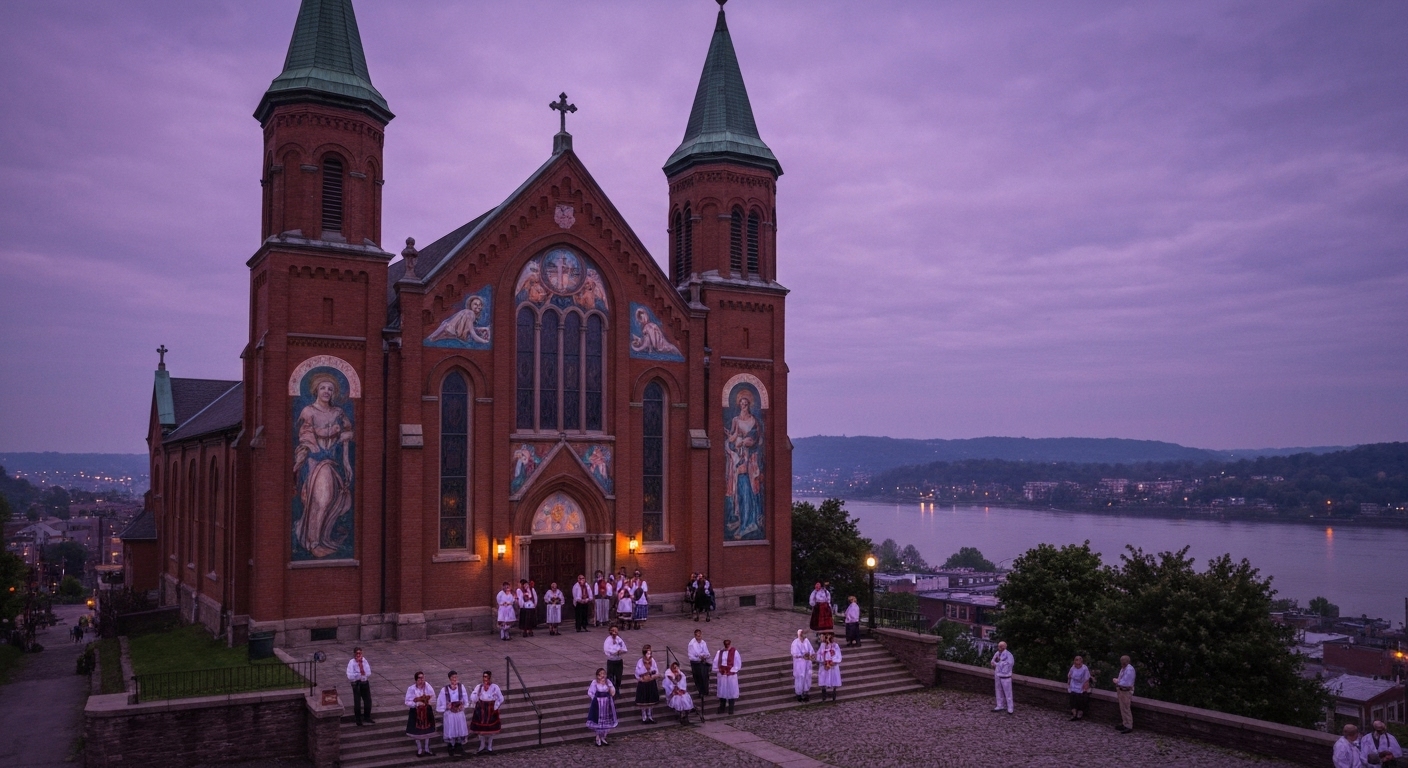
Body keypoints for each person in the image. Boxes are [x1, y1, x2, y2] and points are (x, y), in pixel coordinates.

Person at [469, 670, 504, 754]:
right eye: (484, 677)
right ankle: (482, 745)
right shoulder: (479, 687)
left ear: (490, 678)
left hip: (491, 710)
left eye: (487, 677)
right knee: (481, 729)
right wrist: (477, 695)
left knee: (491, 729)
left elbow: (501, 698)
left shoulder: (495, 687)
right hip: (481, 709)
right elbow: (473, 697)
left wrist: (496, 706)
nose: (486, 679)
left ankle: (490, 746)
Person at [404, 671, 437, 757]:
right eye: (419, 678)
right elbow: (407, 701)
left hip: (426, 711)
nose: (422, 680)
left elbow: (433, 697)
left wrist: (427, 702)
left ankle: (426, 748)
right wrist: (416, 704)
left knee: (427, 730)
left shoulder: (428, 687)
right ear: (416, 680)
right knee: (416, 731)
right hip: (416, 712)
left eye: (423, 678)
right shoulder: (411, 689)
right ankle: (419, 749)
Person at [437, 671, 469, 756]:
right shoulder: (445, 690)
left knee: (459, 728)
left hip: (459, 713)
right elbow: (440, 703)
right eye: (453, 678)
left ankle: (459, 746)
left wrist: (463, 705)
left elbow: (465, 699)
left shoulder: (461, 687)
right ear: (449, 679)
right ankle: (451, 746)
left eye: (456, 677)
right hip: (450, 714)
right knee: (451, 729)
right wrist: (447, 706)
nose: (454, 679)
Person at [586, 667, 618, 747]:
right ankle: (598, 738)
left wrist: (610, 690)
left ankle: (603, 737)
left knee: (606, 720)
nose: (602, 676)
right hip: (598, 704)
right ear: (597, 675)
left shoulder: (608, 682)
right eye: (601, 674)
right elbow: (590, 692)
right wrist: (595, 700)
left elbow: (613, 691)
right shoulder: (595, 682)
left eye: (604, 674)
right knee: (598, 720)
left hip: (606, 704)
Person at [713, 639, 743, 715]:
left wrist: (731, 670)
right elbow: (716, 663)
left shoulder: (734, 652)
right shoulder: (719, 653)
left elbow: (737, 663)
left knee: (731, 690)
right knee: (722, 690)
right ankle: (722, 707)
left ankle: (731, 708)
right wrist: (720, 669)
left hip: (731, 676)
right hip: (722, 675)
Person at [346, 647, 374, 726]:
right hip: (356, 684)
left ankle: (367, 717)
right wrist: (359, 675)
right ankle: (358, 719)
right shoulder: (351, 662)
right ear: (354, 654)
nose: (358, 655)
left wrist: (359, 674)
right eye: (357, 653)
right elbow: (350, 676)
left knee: (368, 700)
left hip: (364, 682)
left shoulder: (364, 661)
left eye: (360, 653)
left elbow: (368, 673)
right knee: (357, 702)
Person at [634, 645, 661, 723]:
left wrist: (653, 675)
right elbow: (637, 672)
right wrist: (644, 675)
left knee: (650, 699)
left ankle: (650, 715)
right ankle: (644, 716)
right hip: (643, 683)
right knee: (643, 700)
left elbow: (656, 670)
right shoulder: (640, 661)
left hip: (651, 682)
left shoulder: (653, 660)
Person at [816, 631, 842, 701]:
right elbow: (819, 655)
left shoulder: (835, 646)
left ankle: (834, 694)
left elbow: (838, 655)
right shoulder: (822, 646)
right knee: (824, 679)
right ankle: (824, 695)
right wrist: (823, 661)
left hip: (833, 665)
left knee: (834, 679)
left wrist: (833, 661)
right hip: (824, 665)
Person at [790, 629, 815, 702]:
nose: (805, 635)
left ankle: (806, 692)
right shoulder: (795, 642)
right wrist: (802, 655)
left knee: (807, 677)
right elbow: (794, 653)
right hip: (799, 663)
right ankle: (799, 694)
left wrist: (810, 655)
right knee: (799, 678)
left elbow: (811, 650)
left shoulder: (807, 641)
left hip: (807, 663)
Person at [990, 641, 1015, 714]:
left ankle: (1010, 707)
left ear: (1003, 647)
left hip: (1005, 676)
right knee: (998, 690)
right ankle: (1000, 705)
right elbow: (992, 661)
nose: (999, 648)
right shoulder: (997, 653)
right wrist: (995, 664)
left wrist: (997, 664)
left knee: (1008, 692)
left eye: (1000, 647)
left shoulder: (1009, 655)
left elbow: (1009, 664)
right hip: (997, 674)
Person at [1113, 655, 1135, 732]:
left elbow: (1126, 682)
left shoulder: (1130, 670)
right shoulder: (1123, 669)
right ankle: (1125, 723)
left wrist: (1117, 681)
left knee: (1126, 708)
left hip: (1126, 691)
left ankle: (1129, 725)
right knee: (1122, 708)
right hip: (1121, 690)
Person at [1066, 655, 1091, 721]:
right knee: (1072, 697)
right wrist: (1068, 683)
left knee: (1081, 698)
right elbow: (1069, 676)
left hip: (1081, 685)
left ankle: (1080, 713)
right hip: (1074, 684)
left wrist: (1085, 687)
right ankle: (1074, 713)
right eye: (1076, 664)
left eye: (1079, 664)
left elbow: (1087, 679)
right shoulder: (1073, 668)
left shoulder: (1084, 669)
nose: (1077, 665)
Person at [687, 628, 711, 697]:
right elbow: (691, 656)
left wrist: (705, 656)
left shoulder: (703, 642)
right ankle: (700, 691)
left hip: (703, 661)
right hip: (695, 663)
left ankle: (705, 691)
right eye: (698, 636)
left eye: (700, 636)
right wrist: (699, 658)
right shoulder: (691, 644)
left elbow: (707, 652)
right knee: (698, 677)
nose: (699, 637)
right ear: (695, 636)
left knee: (705, 676)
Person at [603, 625, 627, 692]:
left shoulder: (619, 639)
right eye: (613, 630)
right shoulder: (608, 640)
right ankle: (611, 690)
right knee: (610, 677)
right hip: (611, 661)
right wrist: (615, 652)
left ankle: (617, 689)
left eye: (616, 630)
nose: (615, 632)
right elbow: (606, 650)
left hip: (619, 661)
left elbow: (624, 648)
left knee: (618, 677)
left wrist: (621, 651)